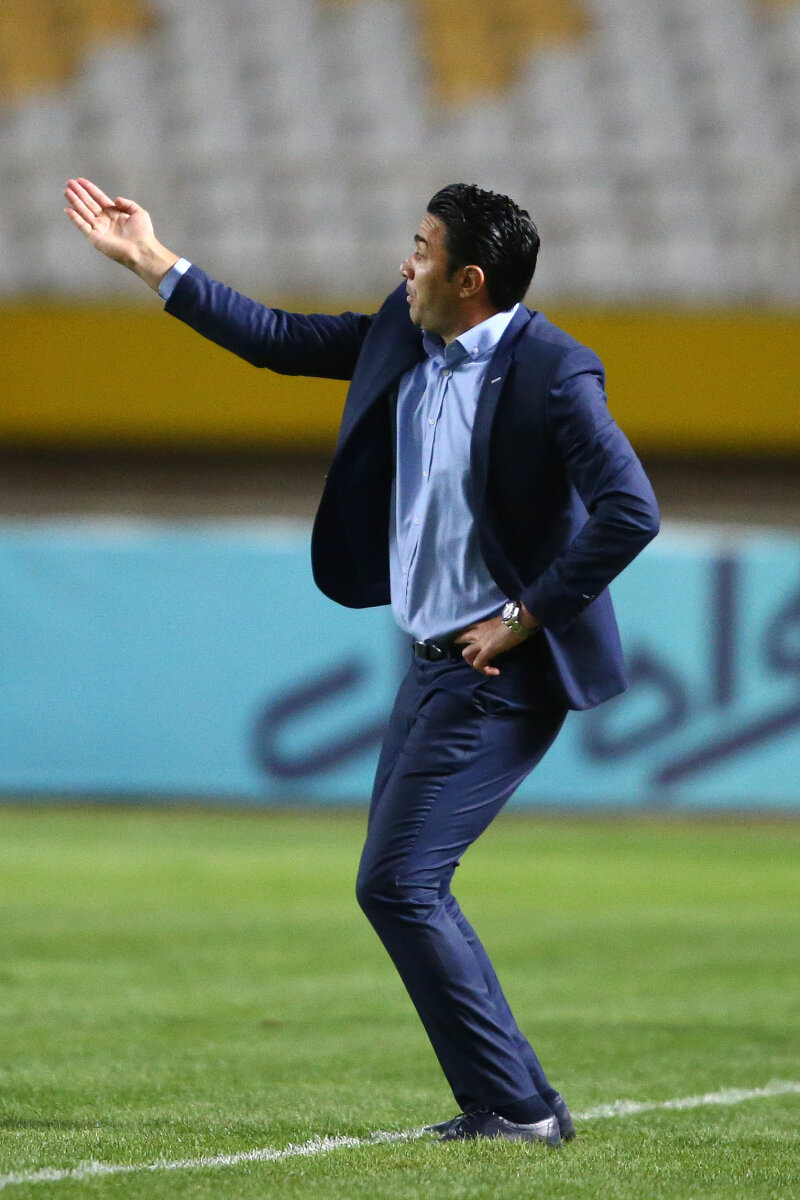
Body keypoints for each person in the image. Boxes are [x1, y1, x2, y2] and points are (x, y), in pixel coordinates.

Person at [64, 177, 659, 1147]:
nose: (404, 263)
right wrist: (151, 262)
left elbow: (630, 510)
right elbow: (277, 339)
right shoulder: (402, 329)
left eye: (421, 249)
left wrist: (522, 618)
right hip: (429, 664)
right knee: (404, 885)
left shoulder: (554, 372)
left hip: (498, 674)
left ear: (469, 279)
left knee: (399, 884)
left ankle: (514, 1109)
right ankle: (522, 1103)